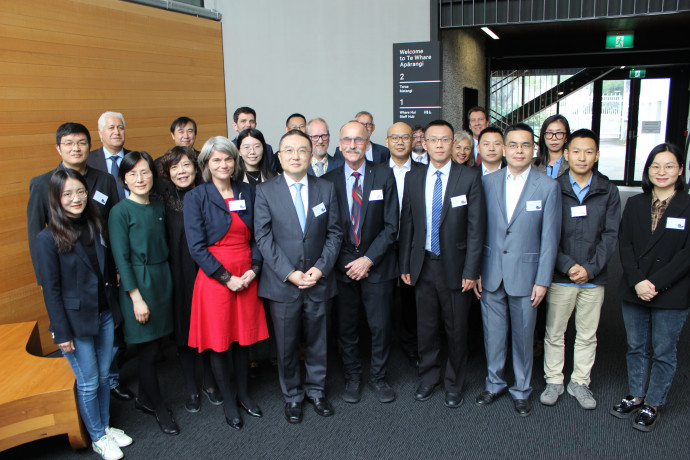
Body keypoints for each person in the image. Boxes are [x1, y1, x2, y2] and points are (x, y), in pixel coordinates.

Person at [26, 122, 132, 403]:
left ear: (90, 146)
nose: (76, 148)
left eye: (81, 143)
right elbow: (36, 235)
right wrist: (45, 282)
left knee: (109, 335)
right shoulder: (43, 184)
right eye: (69, 144)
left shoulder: (104, 179)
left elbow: (111, 227)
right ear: (58, 148)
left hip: (103, 271)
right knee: (82, 344)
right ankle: (89, 390)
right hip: (69, 275)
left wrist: (117, 268)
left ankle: (111, 381)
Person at [36, 169, 132, 460]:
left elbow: (106, 271)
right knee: (89, 381)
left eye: (80, 192)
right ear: (56, 198)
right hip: (74, 323)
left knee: (103, 377)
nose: (75, 198)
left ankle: (104, 426)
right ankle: (97, 438)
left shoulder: (94, 223)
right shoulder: (47, 238)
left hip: (103, 313)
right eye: (67, 194)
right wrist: (61, 331)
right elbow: (51, 289)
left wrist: (115, 311)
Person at [254, 129, 342, 424]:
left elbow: (335, 233)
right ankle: (292, 394)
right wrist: (289, 273)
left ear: (311, 154)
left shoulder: (326, 188)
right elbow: (263, 237)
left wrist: (321, 268)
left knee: (319, 341)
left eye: (302, 150)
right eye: (289, 150)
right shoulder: (266, 191)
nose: (296, 156)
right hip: (283, 284)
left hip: (319, 280)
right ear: (279, 157)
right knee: (286, 344)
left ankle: (316, 390)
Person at [474, 123, 561, 417]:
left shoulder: (547, 187)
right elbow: (478, 231)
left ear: (534, 149)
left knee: (524, 337)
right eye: (512, 145)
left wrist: (543, 280)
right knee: (493, 334)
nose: (518, 150)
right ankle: (494, 383)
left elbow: (550, 238)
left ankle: (522, 389)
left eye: (525, 145)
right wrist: (476, 270)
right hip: (491, 271)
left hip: (527, 275)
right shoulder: (486, 182)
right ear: (503, 148)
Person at [399, 120, 486, 408]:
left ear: (453, 144)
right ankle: (428, 378)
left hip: (457, 267)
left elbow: (476, 229)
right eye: (433, 140)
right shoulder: (414, 177)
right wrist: (405, 264)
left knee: (456, 329)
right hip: (423, 264)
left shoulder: (469, 177)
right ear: (423, 143)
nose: (439, 145)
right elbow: (407, 224)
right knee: (425, 328)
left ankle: (454, 383)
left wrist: (472, 270)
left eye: (445, 140)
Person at [183, 137, 268, 430]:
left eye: (228, 159)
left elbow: (259, 234)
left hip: (246, 274)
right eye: (216, 160)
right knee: (220, 343)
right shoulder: (196, 197)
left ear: (235, 161)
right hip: (215, 277)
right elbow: (196, 247)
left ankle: (244, 394)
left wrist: (254, 269)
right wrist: (226, 278)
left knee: (243, 340)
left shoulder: (248, 191)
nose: (223, 164)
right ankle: (229, 402)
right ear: (206, 164)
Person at [540, 129, 620, 410]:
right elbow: (547, 234)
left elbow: (610, 236)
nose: (582, 157)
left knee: (587, 334)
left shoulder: (608, 190)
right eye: (576, 151)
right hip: (561, 276)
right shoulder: (553, 188)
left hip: (593, 278)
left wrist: (589, 269)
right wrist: (567, 265)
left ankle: (580, 382)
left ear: (597, 155)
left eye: (588, 151)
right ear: (566, 154)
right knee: (555, 332)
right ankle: (554, 380)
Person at [612, 143, 690, 432]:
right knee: (636, 346)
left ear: (680, 170)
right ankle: (635, 394)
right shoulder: (635, 203)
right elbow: (626, 244)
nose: (662, 171)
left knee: (664, 350)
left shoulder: (687, 205)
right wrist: (637, 280)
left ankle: (653, 403)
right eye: (655, 166)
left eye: (669, 166)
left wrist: (655, 283)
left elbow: (687, 255)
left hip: (671, 290)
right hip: (636, 286)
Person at [323, 121, 399, 404]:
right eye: (347, 140)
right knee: (347, 328)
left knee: (380, 327)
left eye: (358, 140)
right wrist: (350, 262)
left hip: (377, 266)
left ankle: (379, 378)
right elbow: (328, 230)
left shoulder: (384, 174)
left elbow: (392, 226)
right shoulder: (328, 180)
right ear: (340, 144)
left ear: (367, 143)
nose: (353, 145)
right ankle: (353, 377)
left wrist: (367, 259)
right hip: (344, 268)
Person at [108, 151, 178, 435]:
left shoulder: (158, 206)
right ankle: (157, 406)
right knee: (147, 351)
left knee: (158, 346)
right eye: (132, 174)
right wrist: (136, 298)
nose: (140, 178)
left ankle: (144, 399)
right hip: (138, 283)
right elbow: (121, 259)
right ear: (123, 179)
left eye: (145, 172)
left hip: (162, 280)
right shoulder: (120, 211)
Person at [156, 146, 220, 413]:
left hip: (207, 271)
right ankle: (191, 387)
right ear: (167, 173)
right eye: (174, 167)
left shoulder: (210, 194)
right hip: (178, 274)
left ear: (196, 168)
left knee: (209, 327)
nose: (181, 172)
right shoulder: (161, 201)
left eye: (186, 165)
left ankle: (210, 381)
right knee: (184, 330)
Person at [386, 122, 422, 367]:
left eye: (405, 137)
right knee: (384, 298)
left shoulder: (424, 171)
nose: (400, 142)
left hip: (414, 244)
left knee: (411, 298)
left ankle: (412, 346)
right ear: (387, 141)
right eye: (395, 137)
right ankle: (384, 346)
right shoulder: (376, 171)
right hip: (383, 245)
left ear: (413, 141)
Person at [88, 112, 131, 201]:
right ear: (100, 133)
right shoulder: (89, 160)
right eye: (111, 128)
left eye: (120, 128)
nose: (117, 132)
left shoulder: (135, 158)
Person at [231, 106, 278, 171]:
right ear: (235, 126)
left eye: (251, 121)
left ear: (255, 125)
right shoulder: (230, 148)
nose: (248, 125)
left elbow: (272, 174)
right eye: (243, 121)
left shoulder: (267, 148)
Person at [533, 114, 571, 179]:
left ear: (566, 137)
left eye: (559, 133)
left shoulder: (572, 165)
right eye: (549, 133)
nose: (554, 138)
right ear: (543, 136)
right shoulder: (532, 165)